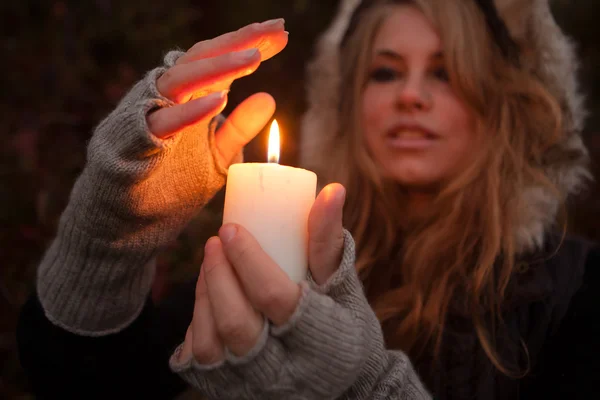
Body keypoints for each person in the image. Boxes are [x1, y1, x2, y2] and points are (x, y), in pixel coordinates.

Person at [16, 0, 598, 399]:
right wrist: (110, 236)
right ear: (348, 101)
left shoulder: (574, 289)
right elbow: (85, 382)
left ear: (497, 107)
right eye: (386, 73)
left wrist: (361, 389)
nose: (412, 96)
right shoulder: (278, 252)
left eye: (445, 74)